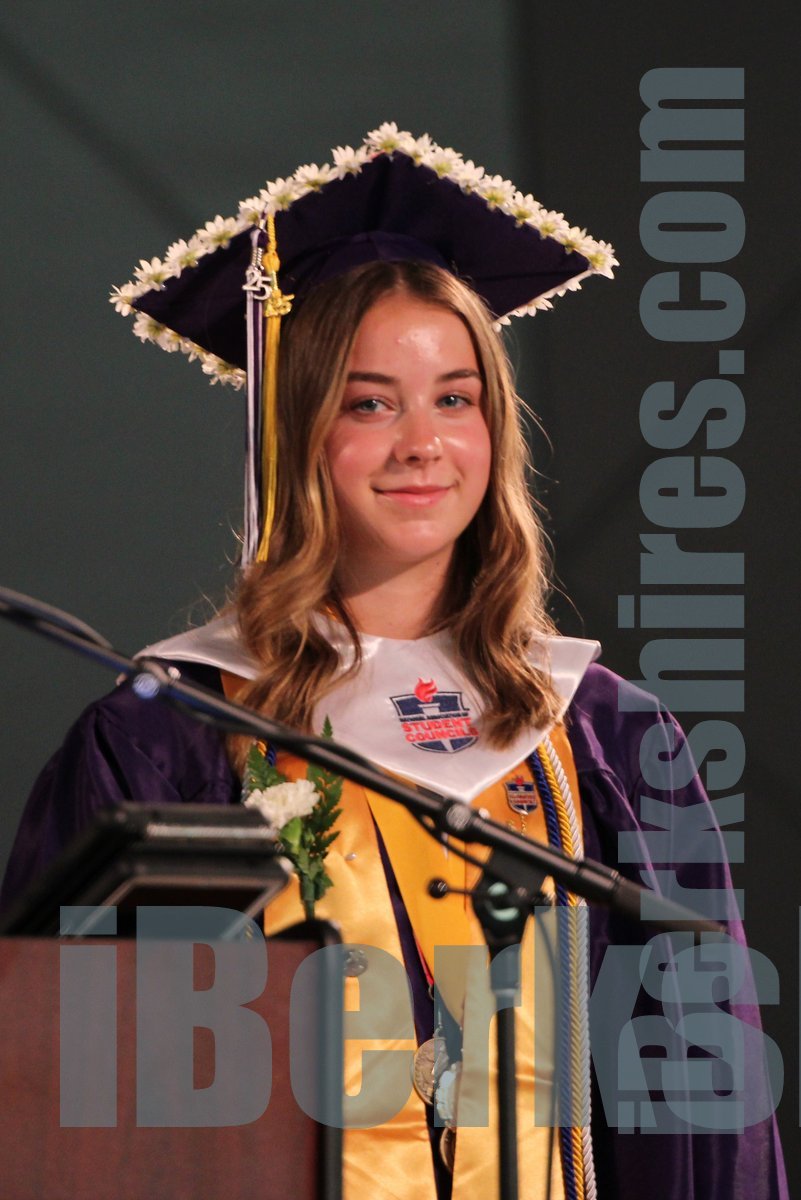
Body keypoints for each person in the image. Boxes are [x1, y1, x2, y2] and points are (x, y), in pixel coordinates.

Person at [0, 126, 787, 1200]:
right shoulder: (168, 736)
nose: (423, 442)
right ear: (292, 435)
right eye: (370, 403)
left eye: (455, 399)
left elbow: (707, 1102)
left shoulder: (603, 734)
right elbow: (67, 1099)